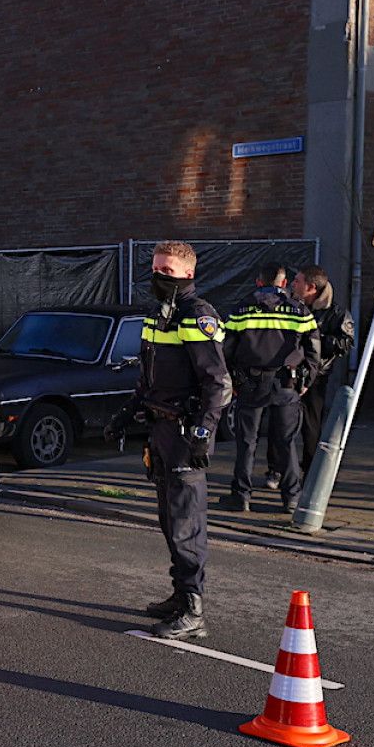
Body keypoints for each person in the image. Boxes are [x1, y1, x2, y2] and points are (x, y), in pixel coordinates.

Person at [104, 240, 231, 640]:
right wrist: (126, 414)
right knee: (168, 519)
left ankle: (193, 610)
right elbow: (148, 378)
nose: (158, 277)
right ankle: (179, 595)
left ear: (188, 275)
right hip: (160, 431)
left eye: (168, 272)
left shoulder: (197, 316)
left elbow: (218, 383)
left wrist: (203, 432)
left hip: (184, 432)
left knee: (186, 523)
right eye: (156, 269)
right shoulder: (156, 317)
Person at [222, 263, 320, 513]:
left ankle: (241, 496)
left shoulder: (241, 308)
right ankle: (292, 499)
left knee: (247, 442)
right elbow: (314, 351)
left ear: (258, 282)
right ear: (284, 283)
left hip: (250, 384)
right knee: (286, 442)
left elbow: (226, 350)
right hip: (286, 383)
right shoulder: (300, 310)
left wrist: (234, 381)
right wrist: (305, 382)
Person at [279, 265, 354, 477]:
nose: (293, 284)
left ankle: (310, 470)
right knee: (281, 423)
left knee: (311, 424)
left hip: (316, 376)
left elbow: (345, 343)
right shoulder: (290, 307)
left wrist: (314, 340)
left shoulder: (337, 313)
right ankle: (277, 470)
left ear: (311, 288)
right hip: (288, 372)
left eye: (298, 282)